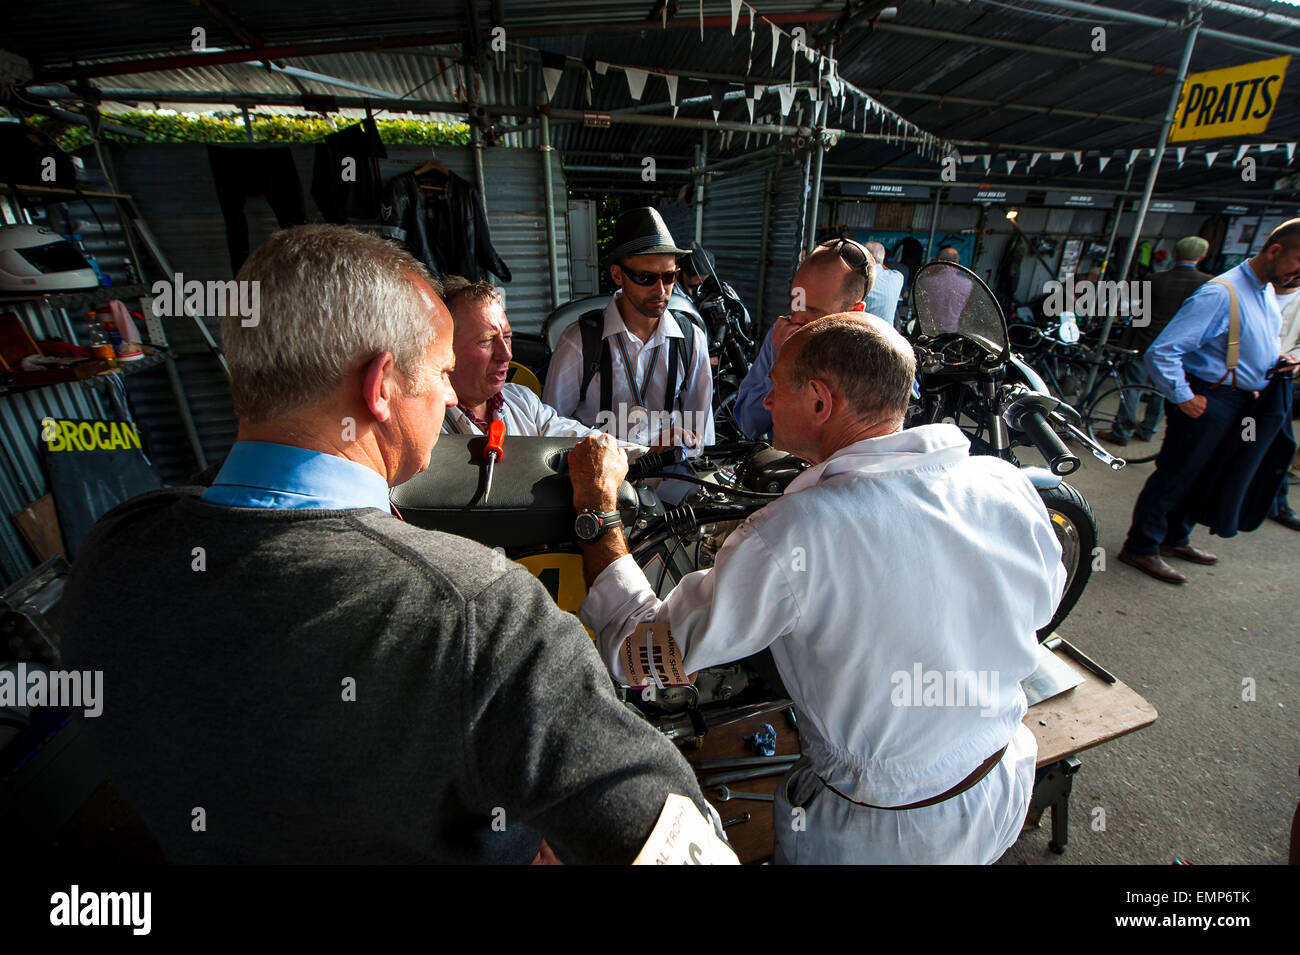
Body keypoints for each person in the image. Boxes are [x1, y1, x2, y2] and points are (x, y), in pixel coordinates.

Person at [53, 225, 729, 864]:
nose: (446, 397)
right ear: (379, 389)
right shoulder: (484, 616)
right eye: (439, 373)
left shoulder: (112, 549)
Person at [568, 315, 1064, 864]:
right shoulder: (1003, 483)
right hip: (1001, 780)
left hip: (886, 836)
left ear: (821, 402)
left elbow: (640, 656)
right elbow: (1042, 602)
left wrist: (596, 505)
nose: (768, 402)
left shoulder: (797, 532)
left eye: (777, 388)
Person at [1119, 220, 1300, 584]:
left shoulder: (1264, 291)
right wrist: (1184, 397)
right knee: (1177, 472)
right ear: (1275, 251)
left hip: (1239, 399)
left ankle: (1175, 538)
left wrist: (1277, 360)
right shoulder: (1221, 293)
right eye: (1299, 262)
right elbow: (1163, 352)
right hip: (1211, 398)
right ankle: (1141, 546)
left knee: (1205, 472)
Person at [542, 207, 712, 452]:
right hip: (598, 475)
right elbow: (551, 428)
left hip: (665, 478)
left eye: (669, 277)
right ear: (617, 275)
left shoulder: (690, 339)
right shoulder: (579, 341)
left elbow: (700, 431)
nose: (660, 289)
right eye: (645, 277)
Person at [439, 275, 647, 457]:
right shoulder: (430, 425)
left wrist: (648, 454)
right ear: (445, 346)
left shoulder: (522, 401)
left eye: (508, 337)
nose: (506, 354)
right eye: (486, 341)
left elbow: (583, 440)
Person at [732, 238, 873, 438]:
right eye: (796, 302)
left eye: (812, 312)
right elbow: (749, 423)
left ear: (853, 312)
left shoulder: (876, 354)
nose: (796, 318)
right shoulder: (782, 335)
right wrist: (782, 363)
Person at [1102, 236, 1213, 446]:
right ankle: (1147, 430)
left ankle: (1121, 433)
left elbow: (1134, 310)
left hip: (1144, 343)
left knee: (1132, 389)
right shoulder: (1207, 284)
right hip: (1177, 350)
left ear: (1175, 254)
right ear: (1202, 256)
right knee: (1162, 392)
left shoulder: (1156, 279)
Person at [1268, 274, 1300, 530]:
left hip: (1279, 384)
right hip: (1239, 383)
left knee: (1278, 444)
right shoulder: (1254, 290)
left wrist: (1292, 358)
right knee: (1245, 437)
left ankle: (1278, 504)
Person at [863, 241, 904, 326]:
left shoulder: (861, 279)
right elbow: (884, 268)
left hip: (864, 332)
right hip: (887, 334)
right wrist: (880, 263)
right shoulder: (898, 277)